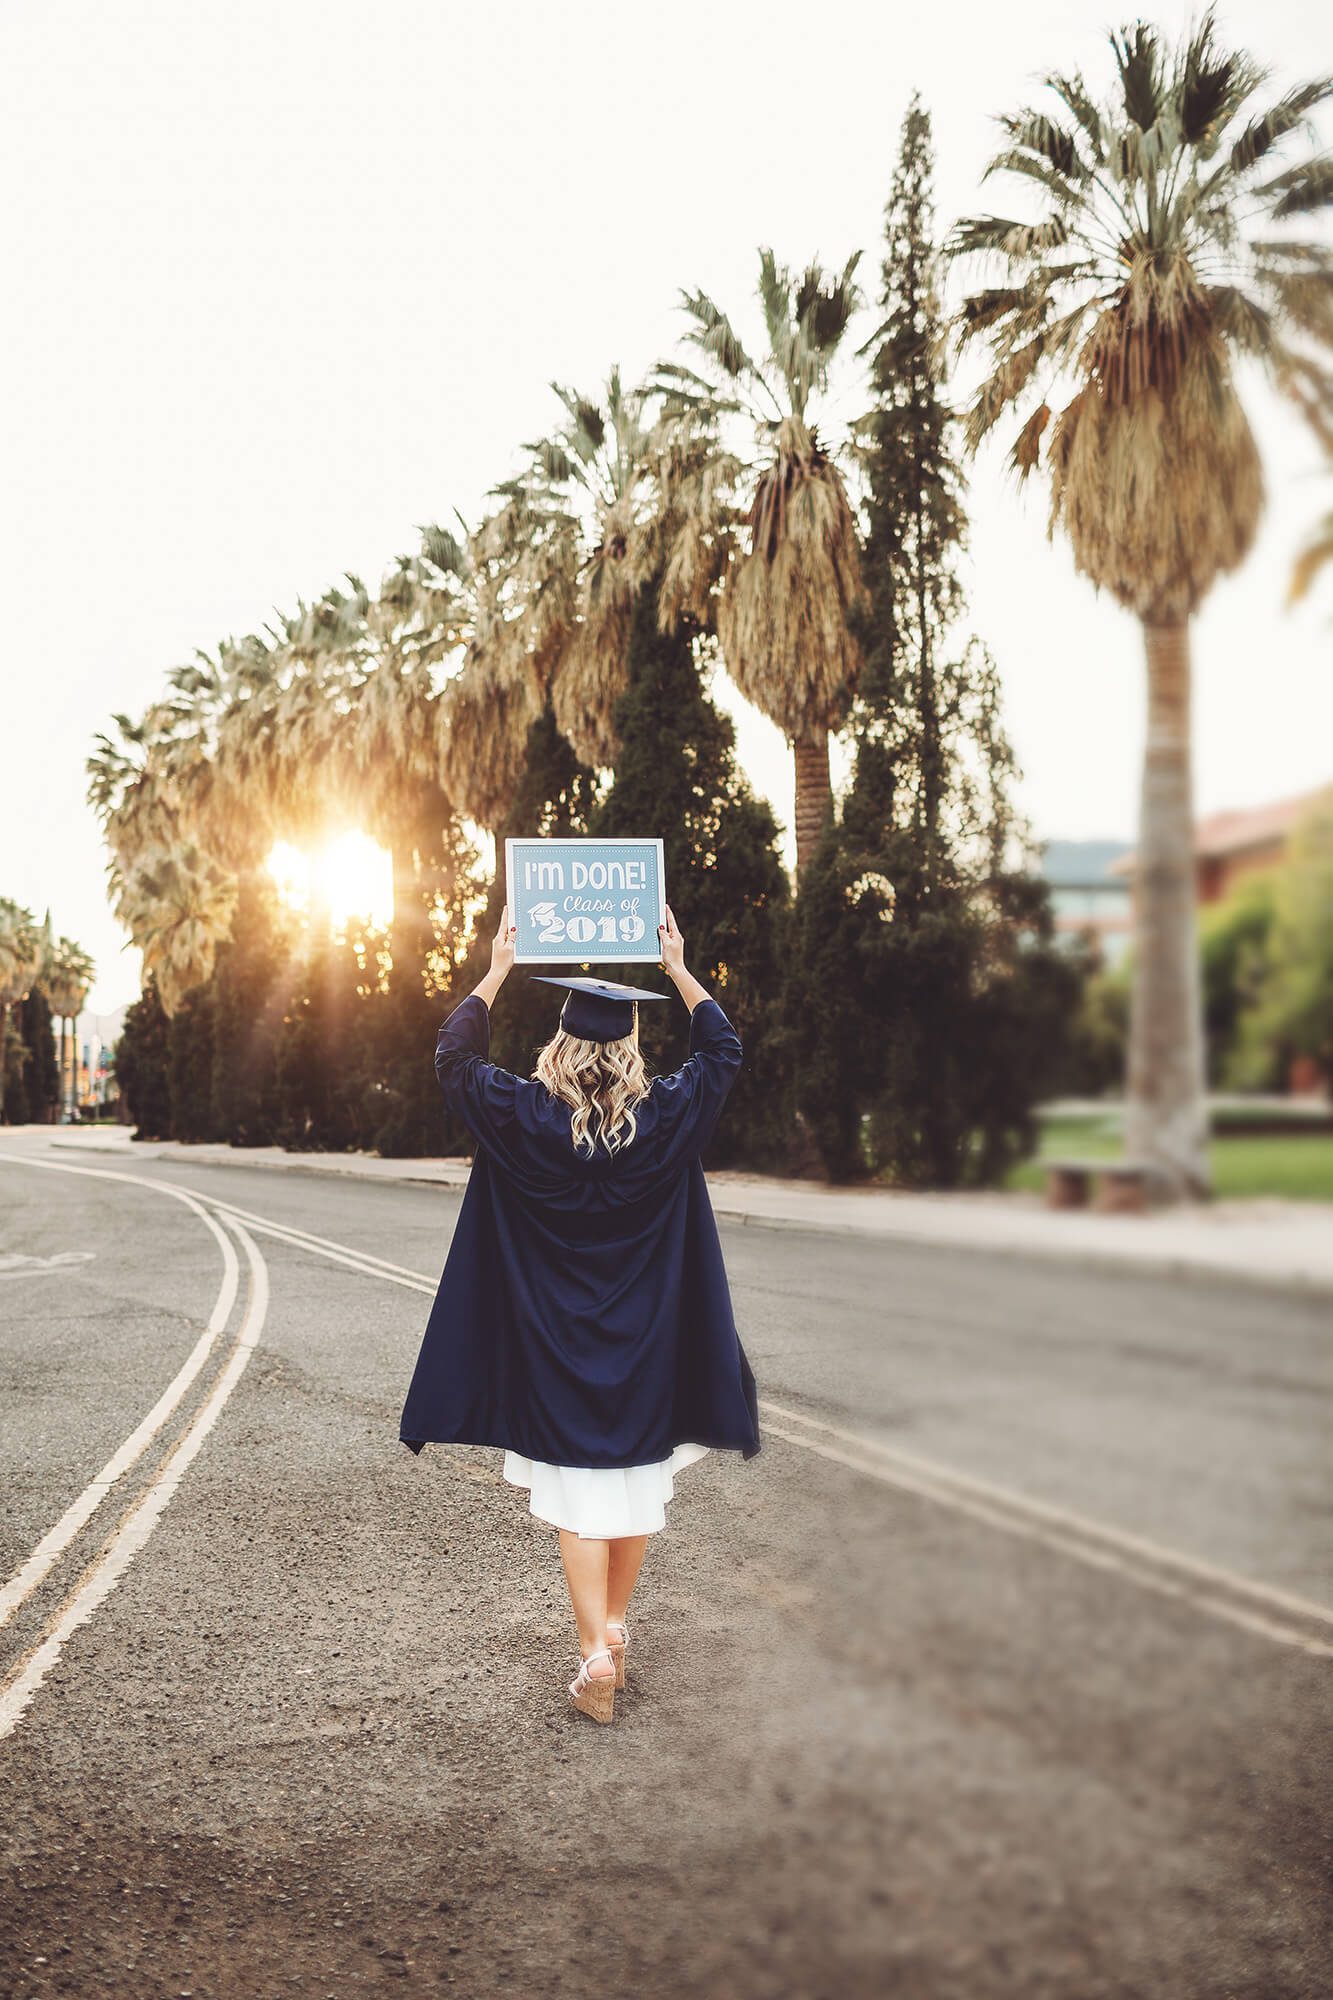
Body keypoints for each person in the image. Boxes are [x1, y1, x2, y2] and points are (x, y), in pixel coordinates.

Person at [399, 900, 760, 1725]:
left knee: (580, 1501)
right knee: (631, 1484)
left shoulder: (524, 1116)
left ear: (559, 1046)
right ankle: (616, 1631)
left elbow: (453, 1055)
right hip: (646, 1340)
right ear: (629, 1046)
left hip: (553, 1341)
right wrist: (676, 966)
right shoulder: (665, 1116)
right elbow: (723, 1048)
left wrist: (497, 968)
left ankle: (594, 1655)